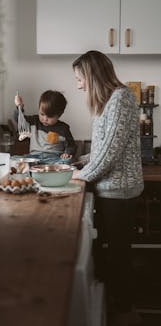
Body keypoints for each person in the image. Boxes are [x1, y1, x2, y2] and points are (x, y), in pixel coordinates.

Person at [71, 51, 144, 326]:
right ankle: (117, 307)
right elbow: (102, 149)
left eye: (80, 78)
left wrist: (80, 175)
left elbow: (110, 153)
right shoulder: (108, 102)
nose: (79, 85)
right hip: (109, 189)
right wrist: (78, 162)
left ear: (92, 75)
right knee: (112, 253)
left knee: (119, 254)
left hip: (119, 191)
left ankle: (126, 313)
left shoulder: (121, 99)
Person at [14, 90, 77, 164]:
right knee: (14, 159)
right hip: (33, 157)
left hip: (53, 159)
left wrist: (67, 153)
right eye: (42, 114)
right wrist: (19, 107)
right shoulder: (34, 121)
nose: (45, 119)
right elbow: (19, 119)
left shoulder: (63, 128)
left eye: (50, 116)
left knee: (68, 161)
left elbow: (72, 145)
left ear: (59, 115)